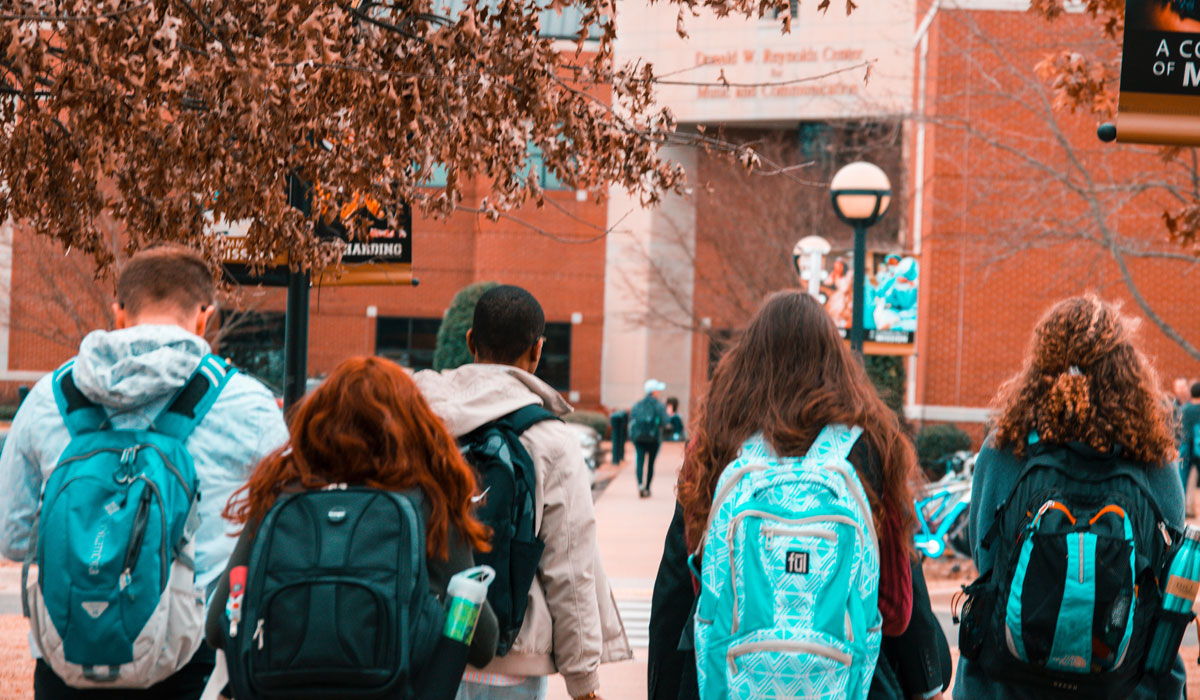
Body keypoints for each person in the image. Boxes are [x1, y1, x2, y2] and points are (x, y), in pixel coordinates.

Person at [0, 244, 289, 699]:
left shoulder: (47, 398)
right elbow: (280, 538)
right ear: (205, 316)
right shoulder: (248, 406)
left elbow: (13, 537)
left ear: (118, 312)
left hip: (67, 656)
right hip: (189, 661)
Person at [650, 291, 945, 700]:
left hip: (725, 681)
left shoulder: (716, 444)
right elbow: (896, 608)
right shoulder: (872, 448)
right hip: (844, 683)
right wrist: (926, 677)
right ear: (836, 363)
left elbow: (680, 585)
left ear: (747, 362)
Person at [207, 356, 499, 686]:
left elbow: (218, 627)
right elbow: (483, 644)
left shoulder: (281, 498)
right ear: (412, 426)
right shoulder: (428, 503)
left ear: (316, 422)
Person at [955, 296, 1185, 700]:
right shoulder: (1153, 459)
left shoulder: (1005, 448)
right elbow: (1167, 576)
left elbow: (986, 557)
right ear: (1126, 370)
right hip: (1126, 683)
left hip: (1008, 681)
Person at [413, 284, 631, 700]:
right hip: (510, 663)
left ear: (470, 342)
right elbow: (570, 566)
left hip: (423, 648)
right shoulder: (550, 439)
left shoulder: (420, 420)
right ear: (537, 350)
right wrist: (583, 681)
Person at [630, 379, 669, 498]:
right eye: (658, 390)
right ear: (653, 391)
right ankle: (647, 488)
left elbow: (632, 419)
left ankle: (640, 485)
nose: (659, 392)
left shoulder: (638, 405)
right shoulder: (659, 405)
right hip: (653, 439)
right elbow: (665, 421)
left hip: (639, 438)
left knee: (640, 461)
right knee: (651, 464)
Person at [1178, 382, 1200, 516]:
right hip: (1198, 448)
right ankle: (1191, 509)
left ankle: (1182, 509)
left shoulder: (1184, 409)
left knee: (1183, 480)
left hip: (1185, 448)